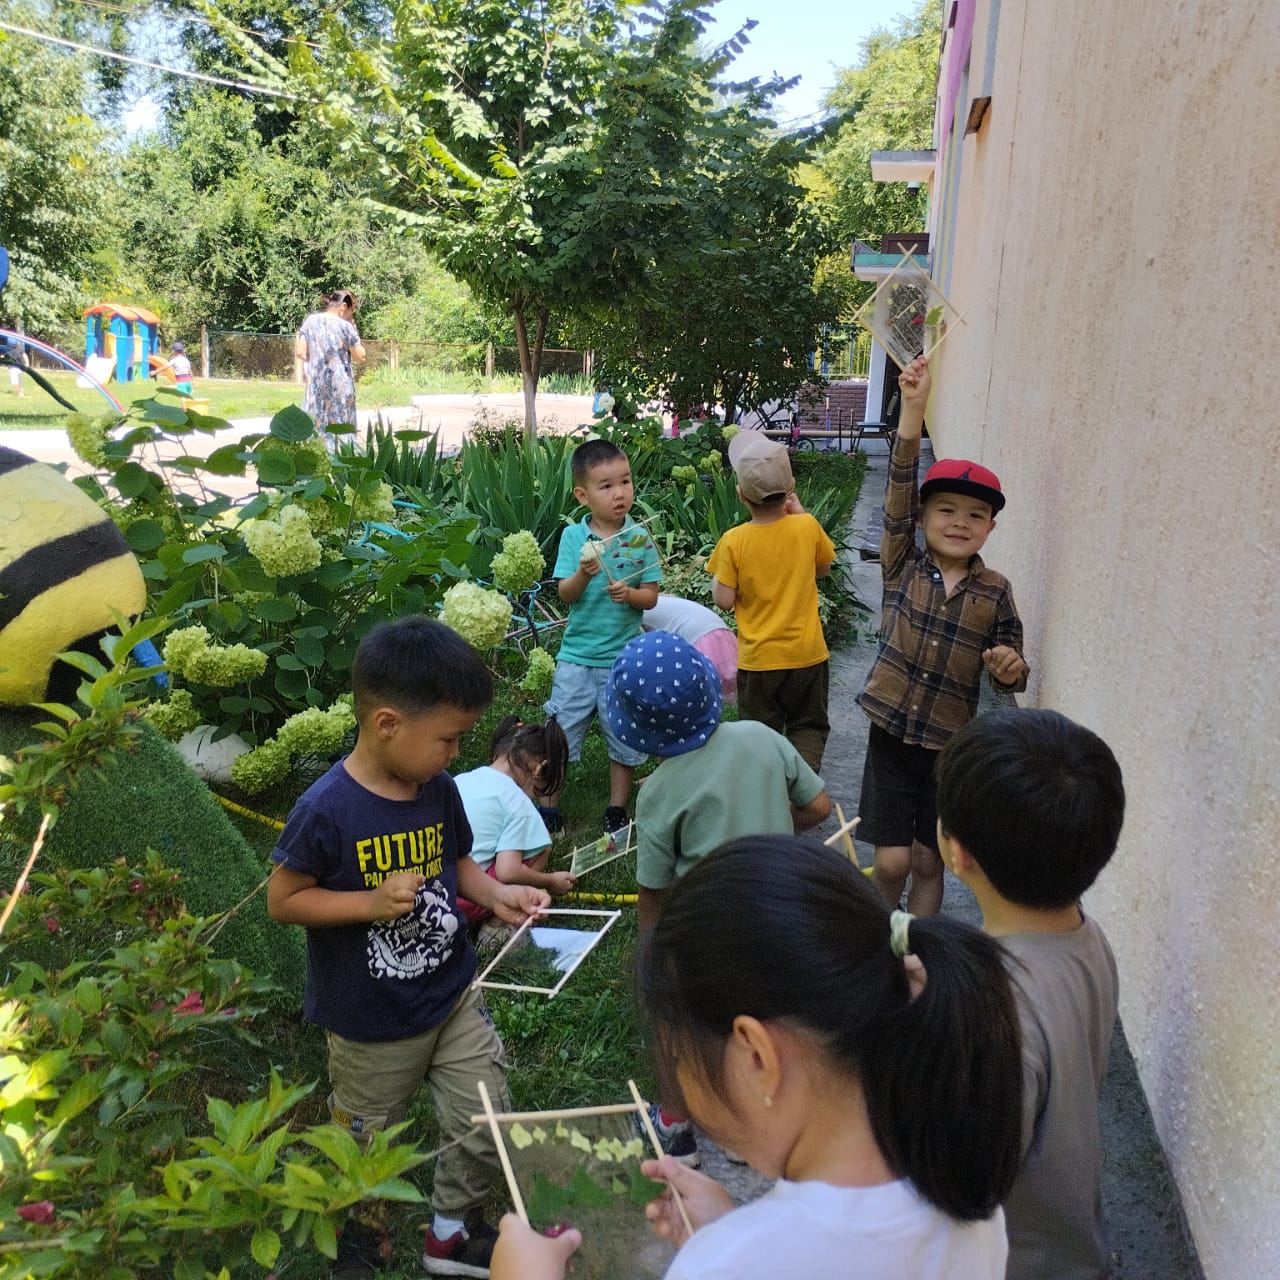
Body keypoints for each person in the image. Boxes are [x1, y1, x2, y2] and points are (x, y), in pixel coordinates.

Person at [490, 835, 1024, 1280]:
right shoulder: (969, 1199)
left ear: (757, 1057)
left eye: (679, 1060)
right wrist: (733, 1227)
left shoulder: (727, 1267)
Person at [266, 616, 549, 1278]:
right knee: (367, 1147)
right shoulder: (326, 810)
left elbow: (459, 862)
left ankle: (450, 1233)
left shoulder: (438, 788)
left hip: (450, 993)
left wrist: (499, 894)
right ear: (388, 723)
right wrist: (367, 903)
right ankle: (363, 1241)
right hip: (371, 1024)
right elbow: (285, 900)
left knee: (484, 1114)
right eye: (449, 738)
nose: (456, 753)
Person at [604, 629, 832, 1165]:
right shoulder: (759, 736)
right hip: (780, 911)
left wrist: (654, 954)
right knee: (764, 1021)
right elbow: (819, 808)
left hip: (709, 932)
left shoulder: (660, 793)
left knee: (680, 1023)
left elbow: (654, 892)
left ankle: (676, 1125)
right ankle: (747, 1127)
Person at [935, 707, 1124, 1280]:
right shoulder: (1087, 937)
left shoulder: (992, 1012)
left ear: (957, 853)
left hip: (1017, 1262)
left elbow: (961, 1185)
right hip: (1071, 1244)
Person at [857, 354, 1028, 917]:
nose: (959, 521)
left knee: (931, 863)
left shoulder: (996, 590)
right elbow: (900, 486)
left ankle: (918, 951)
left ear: (990, 528)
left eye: (975, 515)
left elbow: (1014, 660)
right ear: (924, 517)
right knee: (892, 863)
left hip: (948, 746)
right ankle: (879, 945)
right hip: (892, 732)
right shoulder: (901, 560)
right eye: (946, 509)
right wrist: (914, 408)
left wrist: (1010, 665)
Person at [541, 438, 661, 835]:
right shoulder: (575, 539)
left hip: (621, 660)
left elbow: (650, 598)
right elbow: (566, 595)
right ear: (583, 494)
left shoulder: (639, 539)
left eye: (625, 482)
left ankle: (615, 808)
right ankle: (549, 808)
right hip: (576, 657)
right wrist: (583, 574)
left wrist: (631, 595)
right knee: (560, 733)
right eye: (606, 486)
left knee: (623, 734)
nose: (619, 493)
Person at [706, 433, 835, 772]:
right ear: (789, 490)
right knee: (807, 726)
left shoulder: (734, 541)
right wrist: (801, 512)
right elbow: (823, 569)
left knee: (759, 734)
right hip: (808, 655)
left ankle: (765, 791)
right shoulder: (806, 526)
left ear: (740, 496)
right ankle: (802, 788)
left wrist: (719, 576)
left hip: (760, 660)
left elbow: (723, 601)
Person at [454, 715, 576, 930]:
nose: (534, 797)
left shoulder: (462, 779)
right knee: (542, 844)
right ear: (540, 769)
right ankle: (498, 926)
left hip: (433, 894)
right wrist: (550, 881)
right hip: (467, 899)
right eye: (539, 791)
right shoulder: (518, 802)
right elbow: (507, 872)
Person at [294, 288, 367, 441]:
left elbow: (300, 352)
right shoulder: (345, 326)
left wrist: (316, 359)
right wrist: (354, 330)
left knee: (315, 428)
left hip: (316, 385)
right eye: (351, 311)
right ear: (343, 307)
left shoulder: (310, 321)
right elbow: (360, 356)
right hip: (340, 388)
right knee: (341, 432)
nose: (350, 315)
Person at [641, 593, 738, 702]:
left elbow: (642, 648)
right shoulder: (660, 601)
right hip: (720, 633)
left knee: (692, 696)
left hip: (701, 639)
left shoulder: (637, 610)